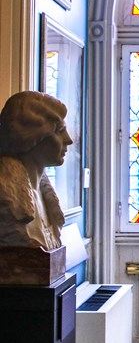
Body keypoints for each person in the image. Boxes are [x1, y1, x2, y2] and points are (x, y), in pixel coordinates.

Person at [0, 91, 72, 250]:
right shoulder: (6, 196)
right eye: (59, 131)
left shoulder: (43, 192)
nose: (69, 140)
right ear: (32, 136)